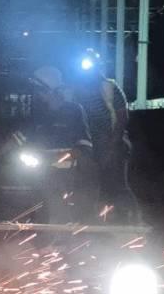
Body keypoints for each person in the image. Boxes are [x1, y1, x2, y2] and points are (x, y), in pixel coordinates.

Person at [73, 49, 140, 223]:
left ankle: (134, 222)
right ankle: (103, 222)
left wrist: (113, 143)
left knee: (118, 184)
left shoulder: (108, 87)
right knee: (97, 185)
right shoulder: (78, 90)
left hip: (111, 142)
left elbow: (122, 115)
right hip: (91, 143)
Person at [25, 66, 97, 222]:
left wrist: (66, 156)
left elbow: (84, 144)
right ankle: (44, 242)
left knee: (61, 208)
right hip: (42, 170)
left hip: (68, 173)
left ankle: (64, 242)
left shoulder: (73, 110)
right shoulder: (39, 113)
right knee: (41, 208)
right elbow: (29, 140)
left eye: (40, 90)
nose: (37, 95)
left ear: (50, 90)